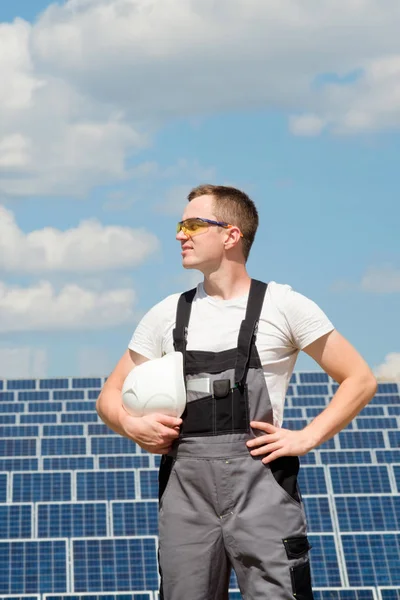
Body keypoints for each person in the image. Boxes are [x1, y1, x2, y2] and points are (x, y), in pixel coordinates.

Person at [97, 184, 377, 600]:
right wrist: (131, 424)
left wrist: (306, 437)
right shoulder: (165, 314)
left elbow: (360, 378)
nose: (180, 235)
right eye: (179, 225)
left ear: (231, 235)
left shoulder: (283, 305)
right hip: (185, 497)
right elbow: (109, 395)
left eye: (193, 224)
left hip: (262, 492)